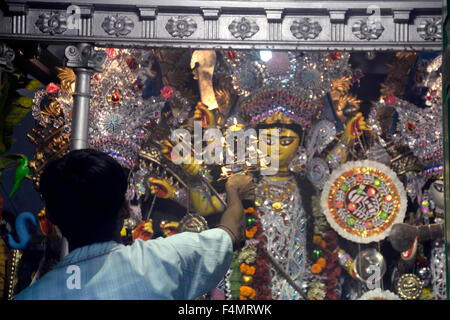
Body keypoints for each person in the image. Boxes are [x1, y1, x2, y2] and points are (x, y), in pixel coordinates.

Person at [13, 149, 254, 300]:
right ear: (125, 208)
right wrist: (233, 190)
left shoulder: (33, 295)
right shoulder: (166, 259)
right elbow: (232, 232)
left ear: (52, 219)